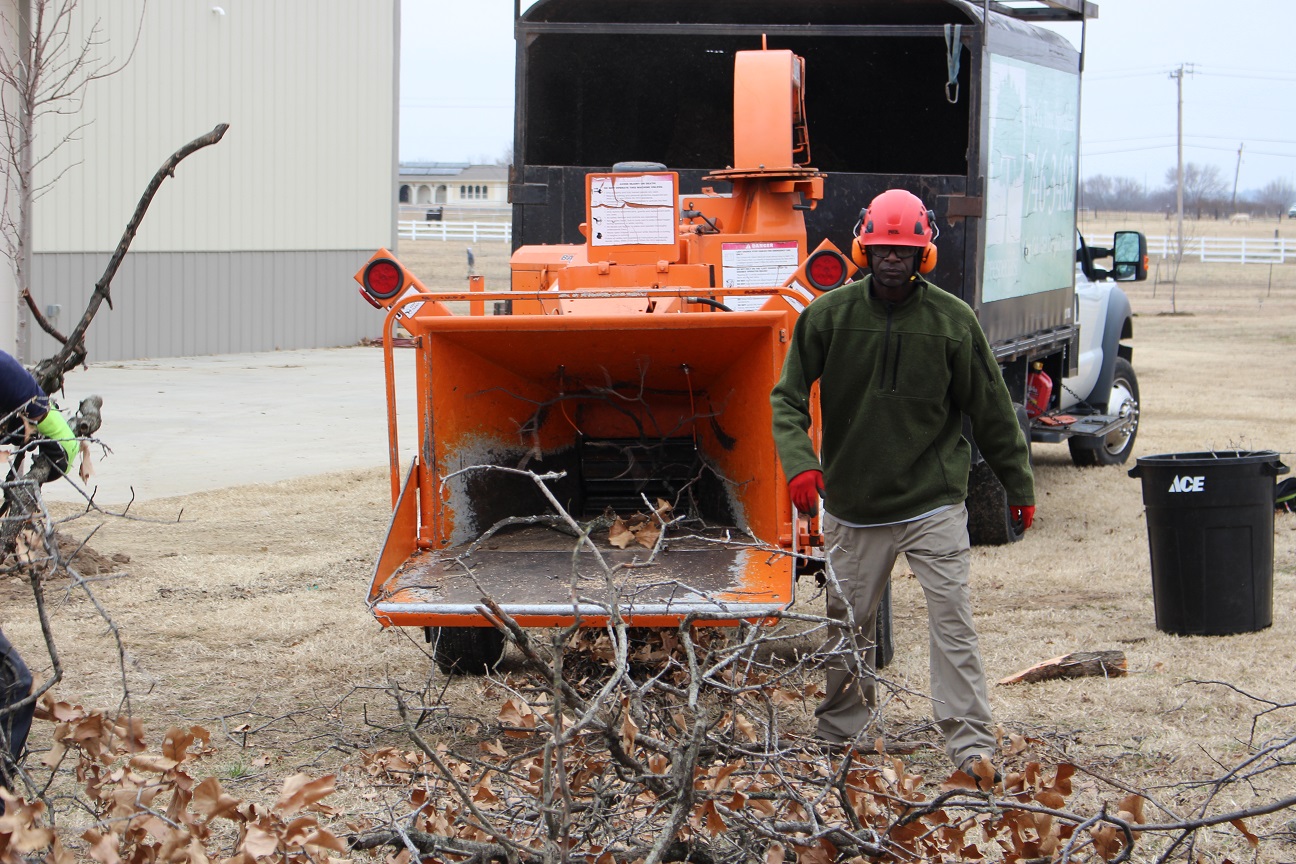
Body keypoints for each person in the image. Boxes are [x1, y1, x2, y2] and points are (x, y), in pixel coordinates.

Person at [770, 189, 1035, 779]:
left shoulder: (953, 322)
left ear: (924, 255)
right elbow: (786, 398)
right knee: (847, 624)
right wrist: (800, 463)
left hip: (932, 502)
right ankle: (842, 736)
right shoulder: (828, 316)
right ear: (864, 250)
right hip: (854, 506)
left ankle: (971, 747)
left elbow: (993, 410)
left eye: (905, 250)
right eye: (883, 248)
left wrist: (1018, 487)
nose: (893, 258)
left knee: (953, 624)